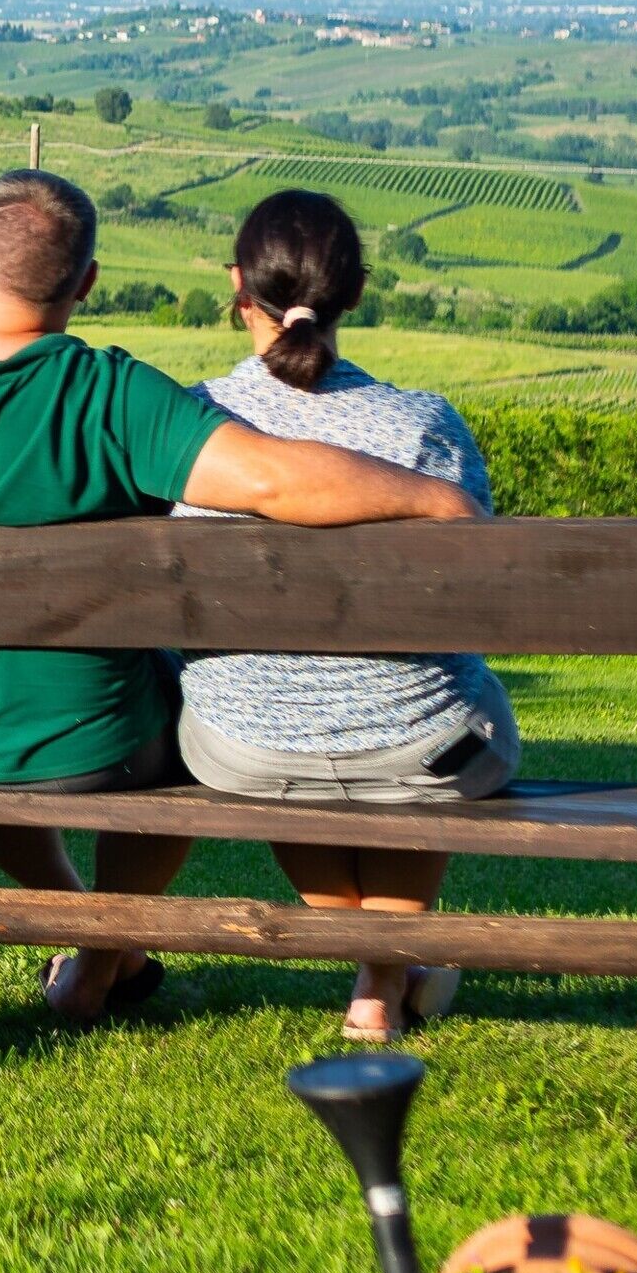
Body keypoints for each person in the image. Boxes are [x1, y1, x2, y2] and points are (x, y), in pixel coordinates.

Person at [0, 169, 479, 1025]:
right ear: (87, 283)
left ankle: (96, 940)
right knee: (189, 717)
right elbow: (268, 478)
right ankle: (104, 944)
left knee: (31, 727)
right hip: (110, 749)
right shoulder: (114, 395)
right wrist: (431, 496)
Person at [177, 188, 520, 1041]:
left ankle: (381, 963)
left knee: (283, 735)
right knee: (447, 710)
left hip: (243, 746)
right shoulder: (423, 425)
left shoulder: (188, 422)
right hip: (424, 748)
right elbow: (476, 599)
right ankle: (380, 971)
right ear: (356, 294)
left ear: (237, 289)